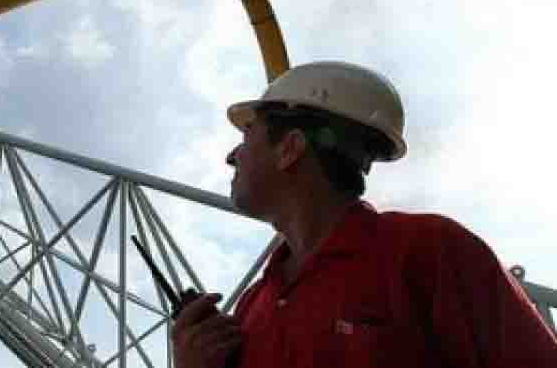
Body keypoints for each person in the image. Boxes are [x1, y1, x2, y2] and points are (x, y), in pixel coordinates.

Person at [171, 61, 557, 368]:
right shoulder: (253, 304)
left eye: (247, 136)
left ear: (290, 148)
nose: (232, 156)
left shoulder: (429, 251)